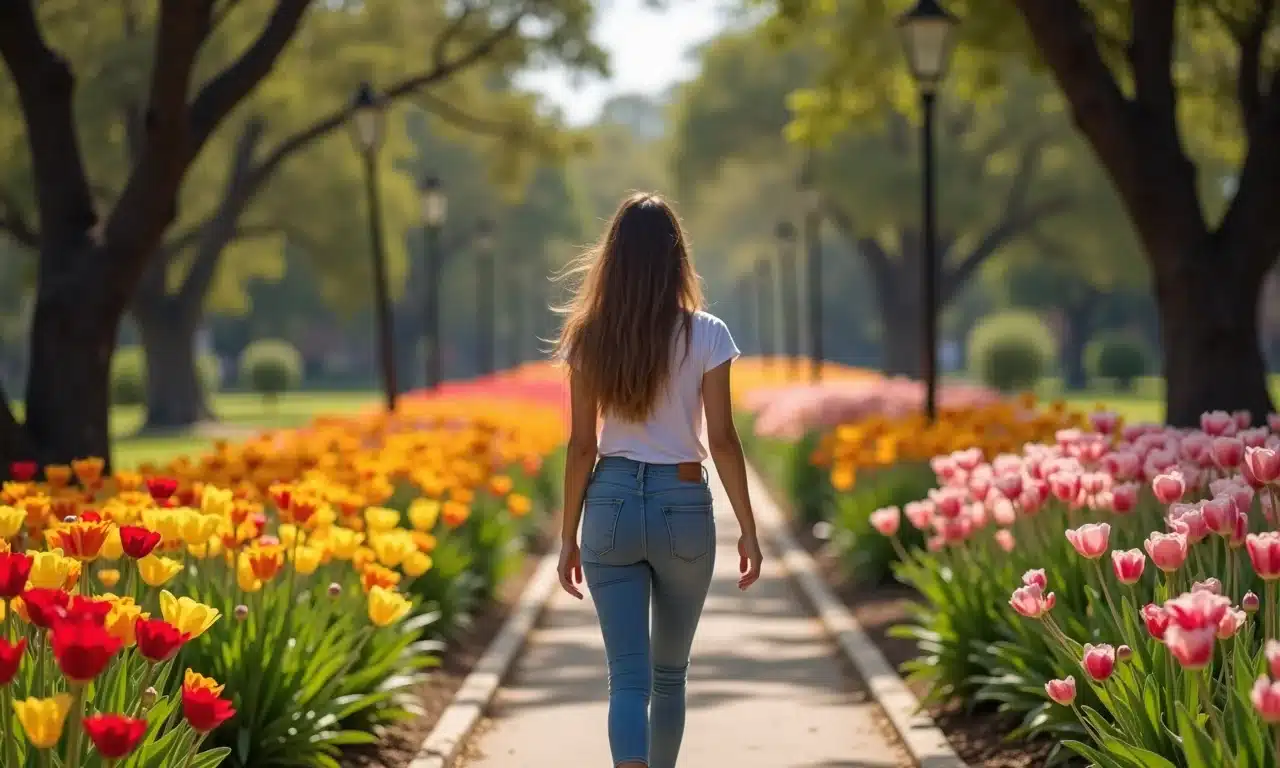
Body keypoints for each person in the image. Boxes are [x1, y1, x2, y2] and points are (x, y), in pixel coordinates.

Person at [554, 192, 764, 768]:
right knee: (669, 677)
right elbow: (722, 439)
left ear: (612, 259)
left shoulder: (588, 336)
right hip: (683, 504)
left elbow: (580, 446)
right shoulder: (708, 334)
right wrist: (748, 529)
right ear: (677, 259)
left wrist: (568, 535)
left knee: (626, 679)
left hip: (611, 502)